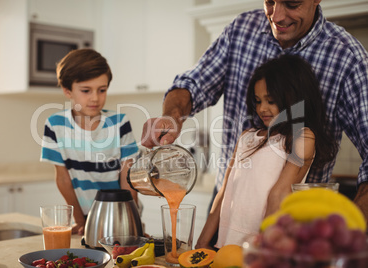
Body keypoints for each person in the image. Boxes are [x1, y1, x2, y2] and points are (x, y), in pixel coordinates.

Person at [141, 0, 368, 224]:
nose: (277, 16)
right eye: (269, 1)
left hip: (294, 222)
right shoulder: (241, 29)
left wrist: (350, 228)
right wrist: (172, 115)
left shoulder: (348, 58)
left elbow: (277, 197)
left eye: (292, 3)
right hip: (227, 206)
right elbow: (193, 83)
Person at [195, 54, 338, 248]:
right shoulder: (247, 136)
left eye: (270, 101)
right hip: (225, 243)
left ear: (293, 98)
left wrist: (260, 250)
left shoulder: (302, 136)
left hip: (261, 245)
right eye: (258, 100)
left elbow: (278, 195)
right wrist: (202, 242)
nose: (262, 108)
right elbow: (225, 190)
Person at [41, 49, 139, 235]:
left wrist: (133, 225)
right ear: (67, 91)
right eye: (86, 90)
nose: (95, 98)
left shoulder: (120, 123)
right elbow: (63, 179)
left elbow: (129, 179)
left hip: (121, 215)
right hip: (84, 216)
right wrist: (80, 220)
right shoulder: (55, 125)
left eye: (102, 90)